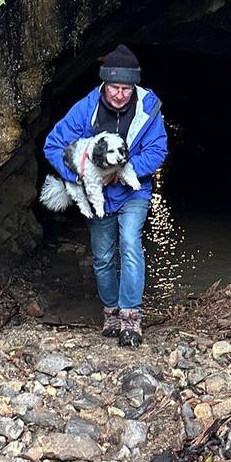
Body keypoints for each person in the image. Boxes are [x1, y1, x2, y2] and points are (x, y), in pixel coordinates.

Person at [43, 44, 168, 346]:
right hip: (98, 194)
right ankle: (111, 310)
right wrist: (83, 176)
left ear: (134, 86)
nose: (120, 94)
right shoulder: (86, 109)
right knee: (101, 257)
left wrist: (124, 171)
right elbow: (53, 146)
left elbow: (158, 150)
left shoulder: (148, 109)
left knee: (129, 244)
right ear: (104, 84)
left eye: (126, 88)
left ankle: (130, 316)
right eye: (114, 87)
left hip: (133, 191)